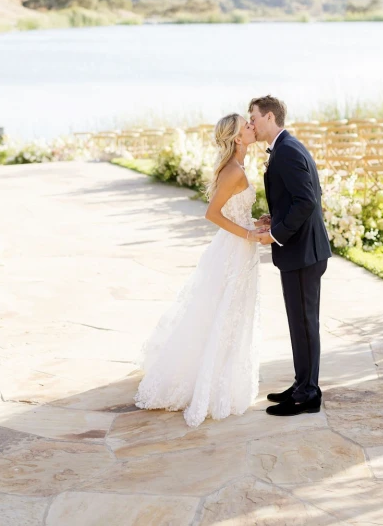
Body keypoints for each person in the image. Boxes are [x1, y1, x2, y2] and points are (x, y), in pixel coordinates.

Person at [134, 113, 262, 427]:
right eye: (246, 125)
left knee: (231, 313)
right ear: (237, 138)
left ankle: (225, 376)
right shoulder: (233, 170)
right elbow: (212, 213)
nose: (252, 126)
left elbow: (236, 211)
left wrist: (255, 223)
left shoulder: (238, 165)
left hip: (240, 248)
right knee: (224, 313)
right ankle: (208, 383)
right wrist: (248, 234)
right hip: (234, 251)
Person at [249, 95, 332, 416]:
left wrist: (275, 234)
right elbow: (302, 197)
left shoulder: (286, 151)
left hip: (302, 253)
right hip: (301, 250)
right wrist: (277, 219)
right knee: (299, 323)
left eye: (254, 118)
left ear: (269, 117)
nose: (251, 124)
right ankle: (302, 383)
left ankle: (308, 394)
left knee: (304, 323)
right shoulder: (287, 147)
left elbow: (307, 200)